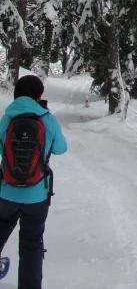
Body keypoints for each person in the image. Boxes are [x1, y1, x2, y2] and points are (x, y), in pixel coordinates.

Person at [0, 75, 67, 288]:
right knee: (31, 245)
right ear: (39, 96)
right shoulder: (48, 119)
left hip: (5, 194)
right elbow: (60, 148)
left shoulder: (7, 118)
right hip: (37, 195)